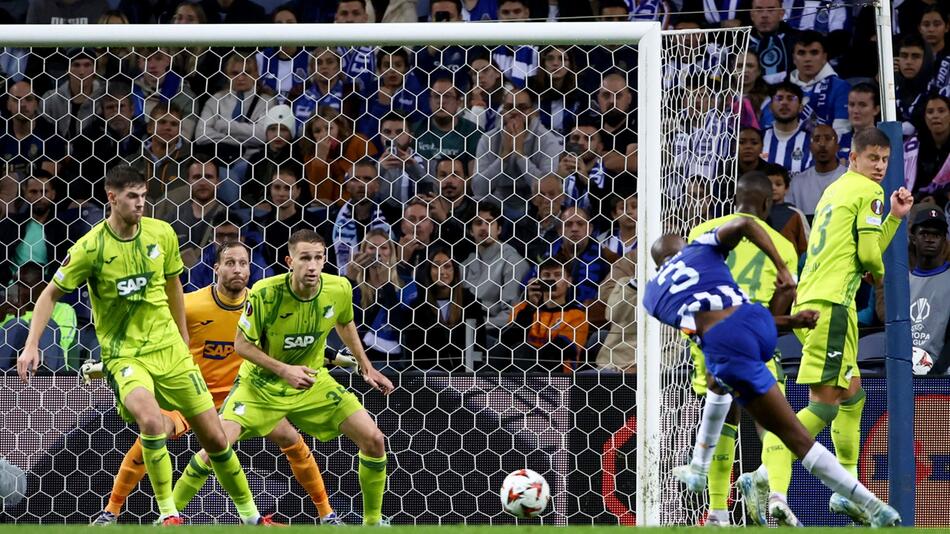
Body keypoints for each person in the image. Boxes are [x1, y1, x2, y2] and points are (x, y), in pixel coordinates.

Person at [16, 165, 268, 525]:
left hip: (171, 351)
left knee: (215, 440)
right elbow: (50, 294)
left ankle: (252, 518)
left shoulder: (162, 233)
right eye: (132, 196)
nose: (140, 203)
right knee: (151, 422)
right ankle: (168, 514)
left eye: (144, 196)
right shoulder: (90, 248)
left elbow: (173, 287)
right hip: (125, 354)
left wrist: (182, 335)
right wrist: (31, 345)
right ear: (112, 197)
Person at [643, 219, 900, 528]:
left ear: (659, 265)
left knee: (785, 429)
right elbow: (743, 224)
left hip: (726, 342)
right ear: (682, 247)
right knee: (722, 384)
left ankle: (871, 506)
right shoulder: (700, 248)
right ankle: (702, 477)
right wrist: (782, 272)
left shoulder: (652, 294)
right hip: (759, 321)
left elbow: (705, 326)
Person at [90, 241, 345, 525]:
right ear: (216, 268)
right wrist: (106, 365)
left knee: (291, 439)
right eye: (230, 263)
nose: (238, 270)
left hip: (241, 397)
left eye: (244, 263)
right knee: (151, 435)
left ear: (251, 269)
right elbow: (151, 339)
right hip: (190, 395)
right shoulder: (190, 305)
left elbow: (290, 340)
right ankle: (111, 512)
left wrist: (335, 357)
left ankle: (326, 514)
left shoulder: (262, 304)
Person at [171, 230, 393, 526]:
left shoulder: (338, 288)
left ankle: (373, 523)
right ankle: (167, 516)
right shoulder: (265, 292)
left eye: (318, 258)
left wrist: (366, 366)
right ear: (290, 261)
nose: (312, 266)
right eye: (305, 258)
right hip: (261, 385)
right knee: (216, 447)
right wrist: (284, 370)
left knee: (374, 439)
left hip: (312, 382)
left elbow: (345, 322)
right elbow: (242, 345)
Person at [757, 128, 914, 525]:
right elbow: (868, 253)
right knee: (823, 406)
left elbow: (861, 243)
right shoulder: (868, 192)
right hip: (833, 306)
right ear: (854, 158)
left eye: (884, 160)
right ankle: (766, 471)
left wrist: (893, 219)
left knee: (853, 394)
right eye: (872, 158)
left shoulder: (837, 189)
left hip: (812, 300)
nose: (879, 167)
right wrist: (878, 273)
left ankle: (848, 490)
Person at [670, 172, 799, 526]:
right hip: (754, 336)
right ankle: (777, 494)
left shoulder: (702, 232)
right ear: (768, 203)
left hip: (710, 337)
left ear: (735, 199)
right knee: (771, 420)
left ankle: (717, 512)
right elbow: (781, 305)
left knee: (724, 417)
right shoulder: (782, 246)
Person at [499, 257, 589, 373]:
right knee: (501, 350)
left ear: (569, 281)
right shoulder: (522, 308)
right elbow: (507, 341)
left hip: (558, 374)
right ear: (538, 280)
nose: (552, 279)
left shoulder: (577, 315)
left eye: (558, 275)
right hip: (520, 366)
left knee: (524, 350)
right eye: (546, 275)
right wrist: (531, 307)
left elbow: (560, 350)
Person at [461, 202, 529, 343]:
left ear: (499, 229)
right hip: (466, 331)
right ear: (470, 231)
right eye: (478, 223)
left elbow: (511, 314)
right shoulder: (466, 264)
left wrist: (475, 327)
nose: (484, 227)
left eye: (490, 222)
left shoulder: (513, 262)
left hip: (496, 335)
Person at [0, 262, 77, 371]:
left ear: (43, 287)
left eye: (24, 285)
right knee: (16, 325)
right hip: (10, 368)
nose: (16, 288)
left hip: (50, 367)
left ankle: (42, 378)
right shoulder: (7, 310)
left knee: (46, 325)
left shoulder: (63, 309)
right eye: (15, 282)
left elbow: (62, 345)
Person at [909, 208, 950, 374]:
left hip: (942, 371)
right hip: (905, 369)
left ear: (944, 240)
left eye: (936, 235)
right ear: (913, 238)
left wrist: (936, 372)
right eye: (924, 233)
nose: (930, 239)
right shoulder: (902, 281)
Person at [786, 124, 847, 221]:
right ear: (810, 147)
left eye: (828, 138)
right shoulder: (797, 183)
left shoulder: (849, 178)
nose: (822, 144)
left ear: (837, 147)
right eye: (816, 139)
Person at [762, 82, 813, 175]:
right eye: (779, 98)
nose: (784, 103)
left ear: (801, 107)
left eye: (790, 98)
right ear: (770, 107)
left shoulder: (811, 141)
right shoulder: (760, 138)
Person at [764, 163, 810, 259]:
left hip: (790, 268)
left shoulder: (796, 214)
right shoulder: (756, 213)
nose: (773, 188)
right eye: (768, 184)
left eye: (778, 184)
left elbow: (806, 248)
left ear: (787, 188)